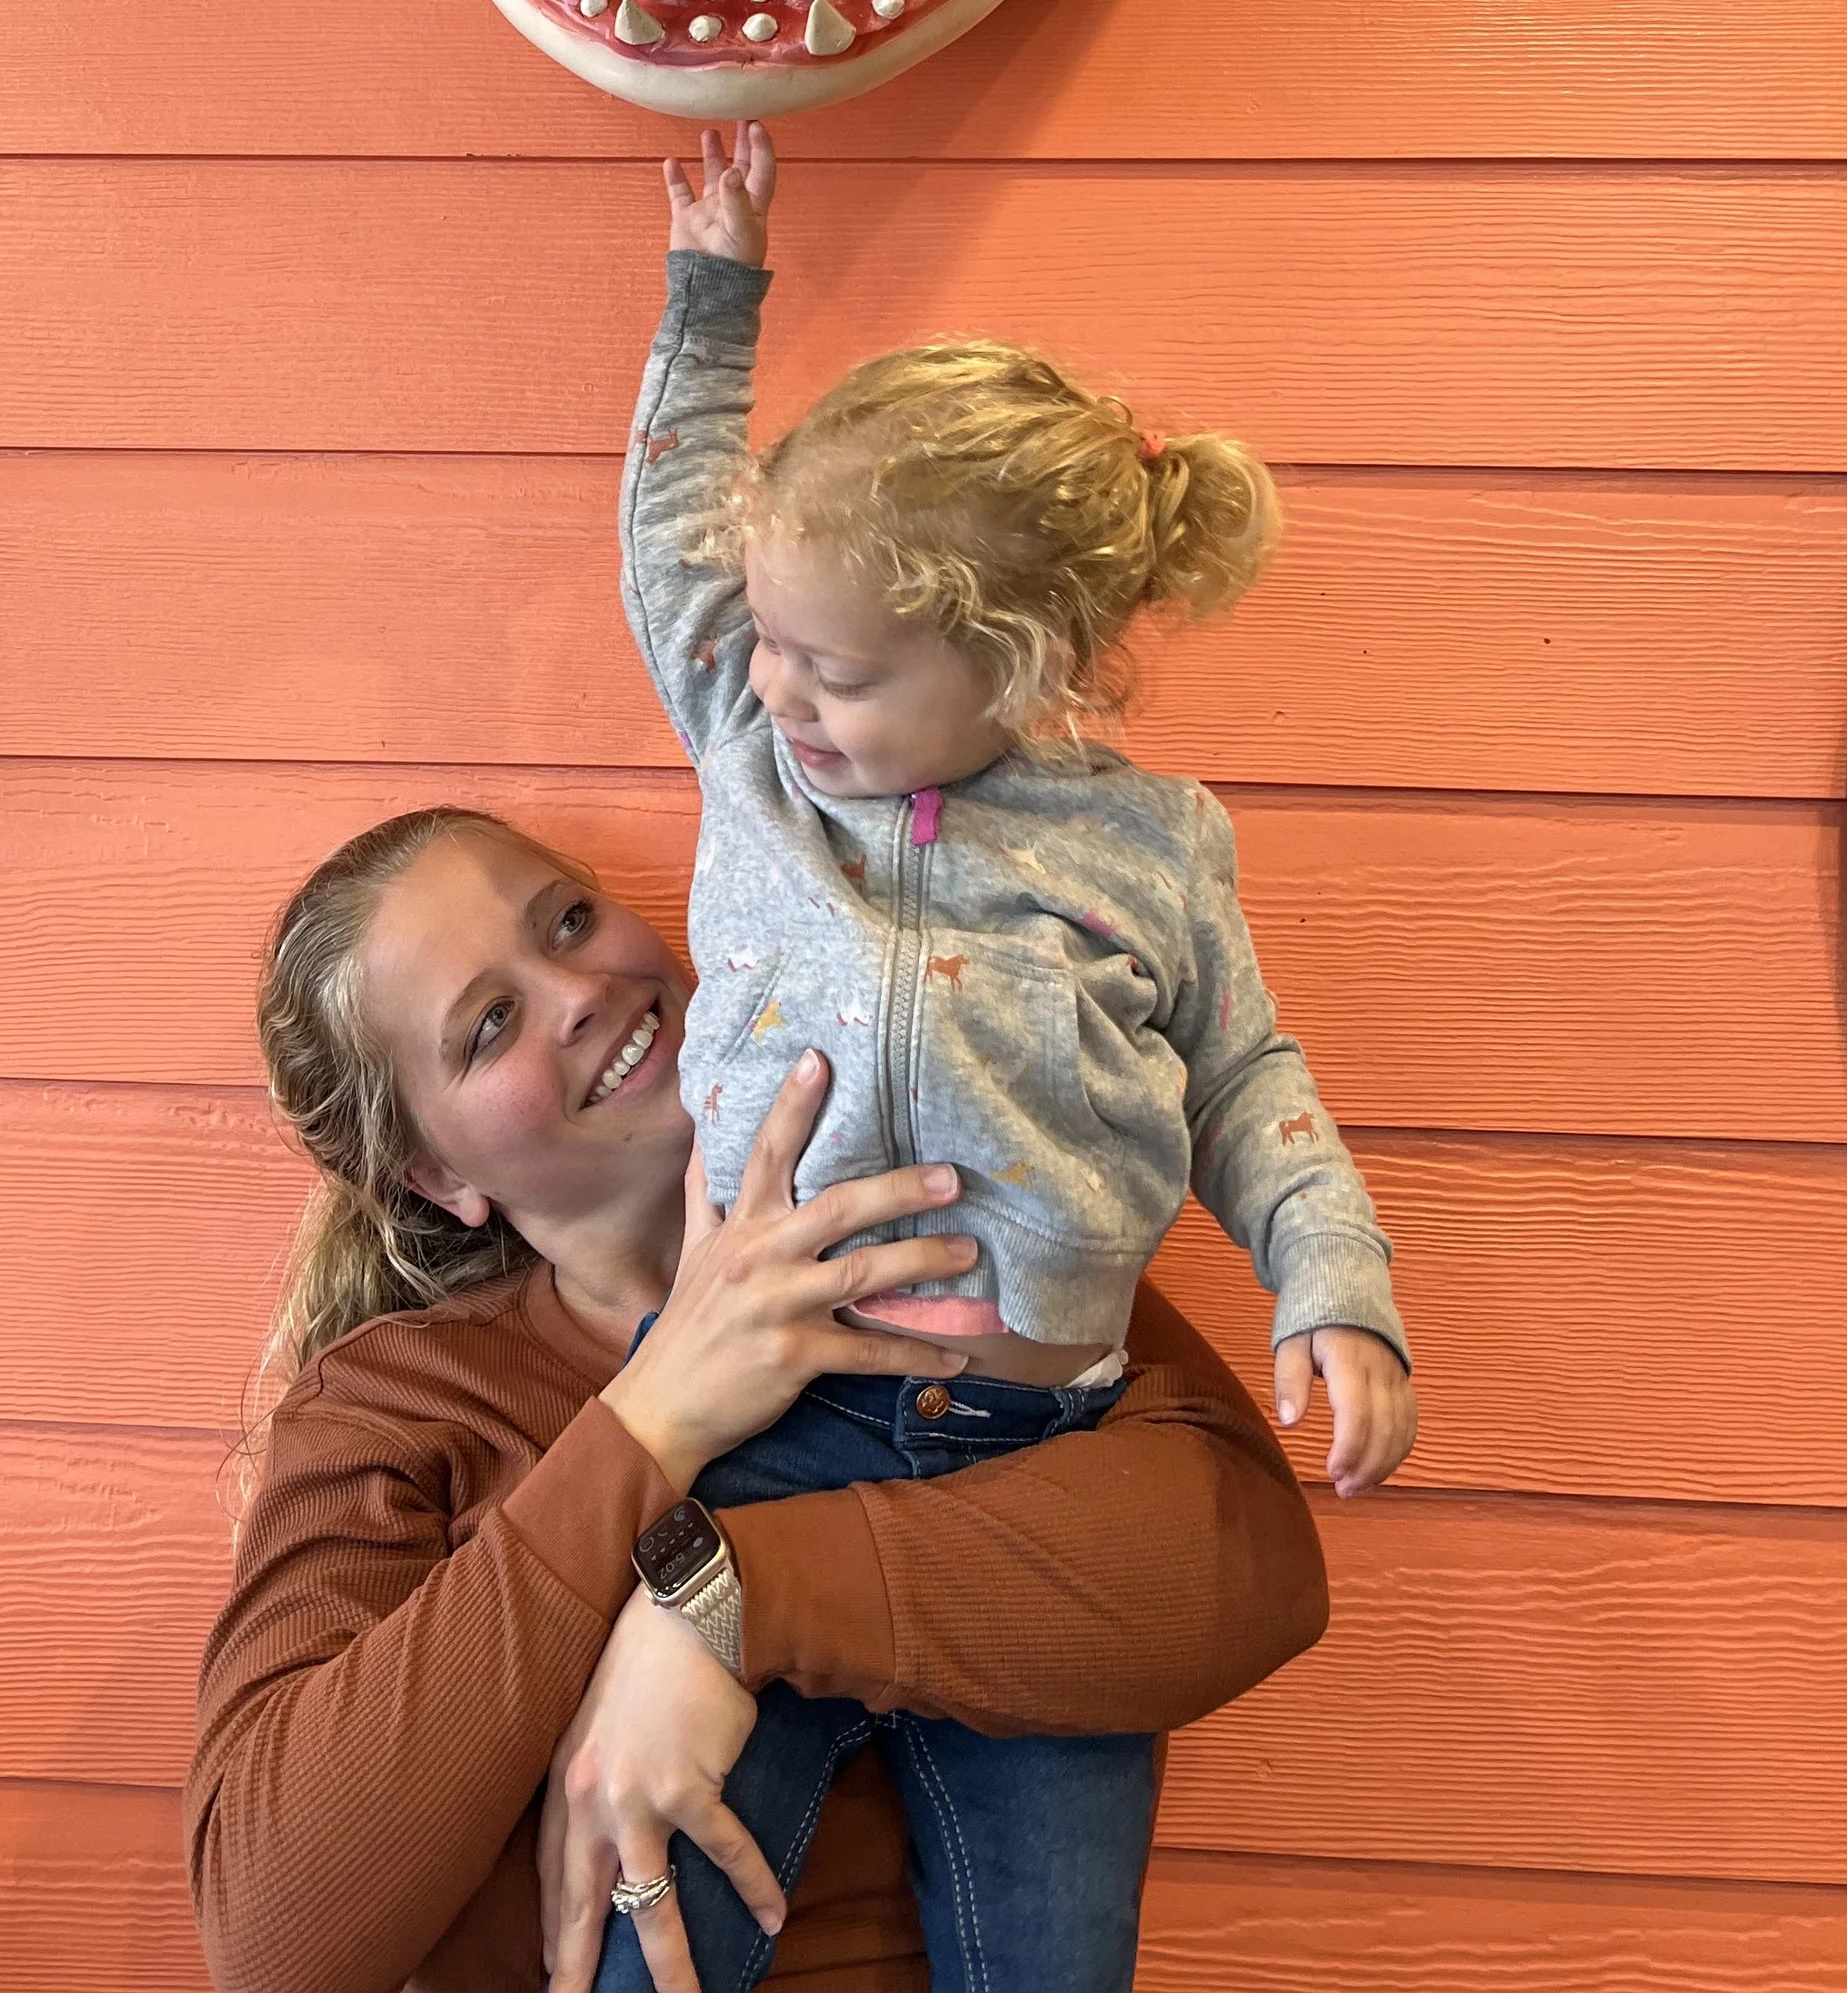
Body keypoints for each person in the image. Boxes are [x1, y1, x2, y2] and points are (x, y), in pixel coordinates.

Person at [602, 123, 1416, 1993]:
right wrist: (711, 299)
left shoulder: (1147, 847)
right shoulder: (752, 746)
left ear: (1023, 664)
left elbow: (1243, 1076)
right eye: (774, 645)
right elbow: (671, 536)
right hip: (773, 1426)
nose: (783, 690)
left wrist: (1334, 1279)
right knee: (667, 1921)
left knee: (1051, 1956)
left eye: (841, 669)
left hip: (1045, 1466)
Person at [185, 805, 1330, 1993]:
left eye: (567, 921)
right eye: (489, 1023)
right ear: (437, 1177)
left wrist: (732, 1603)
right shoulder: (396, 1407)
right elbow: (270, 1939)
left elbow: (1253, 1564)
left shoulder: (938, 1225)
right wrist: (654, 1418)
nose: (578, 991)